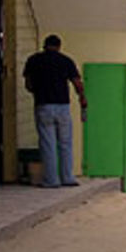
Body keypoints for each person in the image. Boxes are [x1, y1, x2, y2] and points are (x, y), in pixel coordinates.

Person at [23, 35, 87, 187]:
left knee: (47, 144)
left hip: (43, 105)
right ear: (59, 46)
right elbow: (77, 83)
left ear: (44, 46)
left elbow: (28, 84)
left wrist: (39, 91)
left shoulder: (34, 60)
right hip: (63, 107)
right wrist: (82, 99)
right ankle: (68, 178)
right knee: (65, 143)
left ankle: (51, 180)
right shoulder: (66, 61)